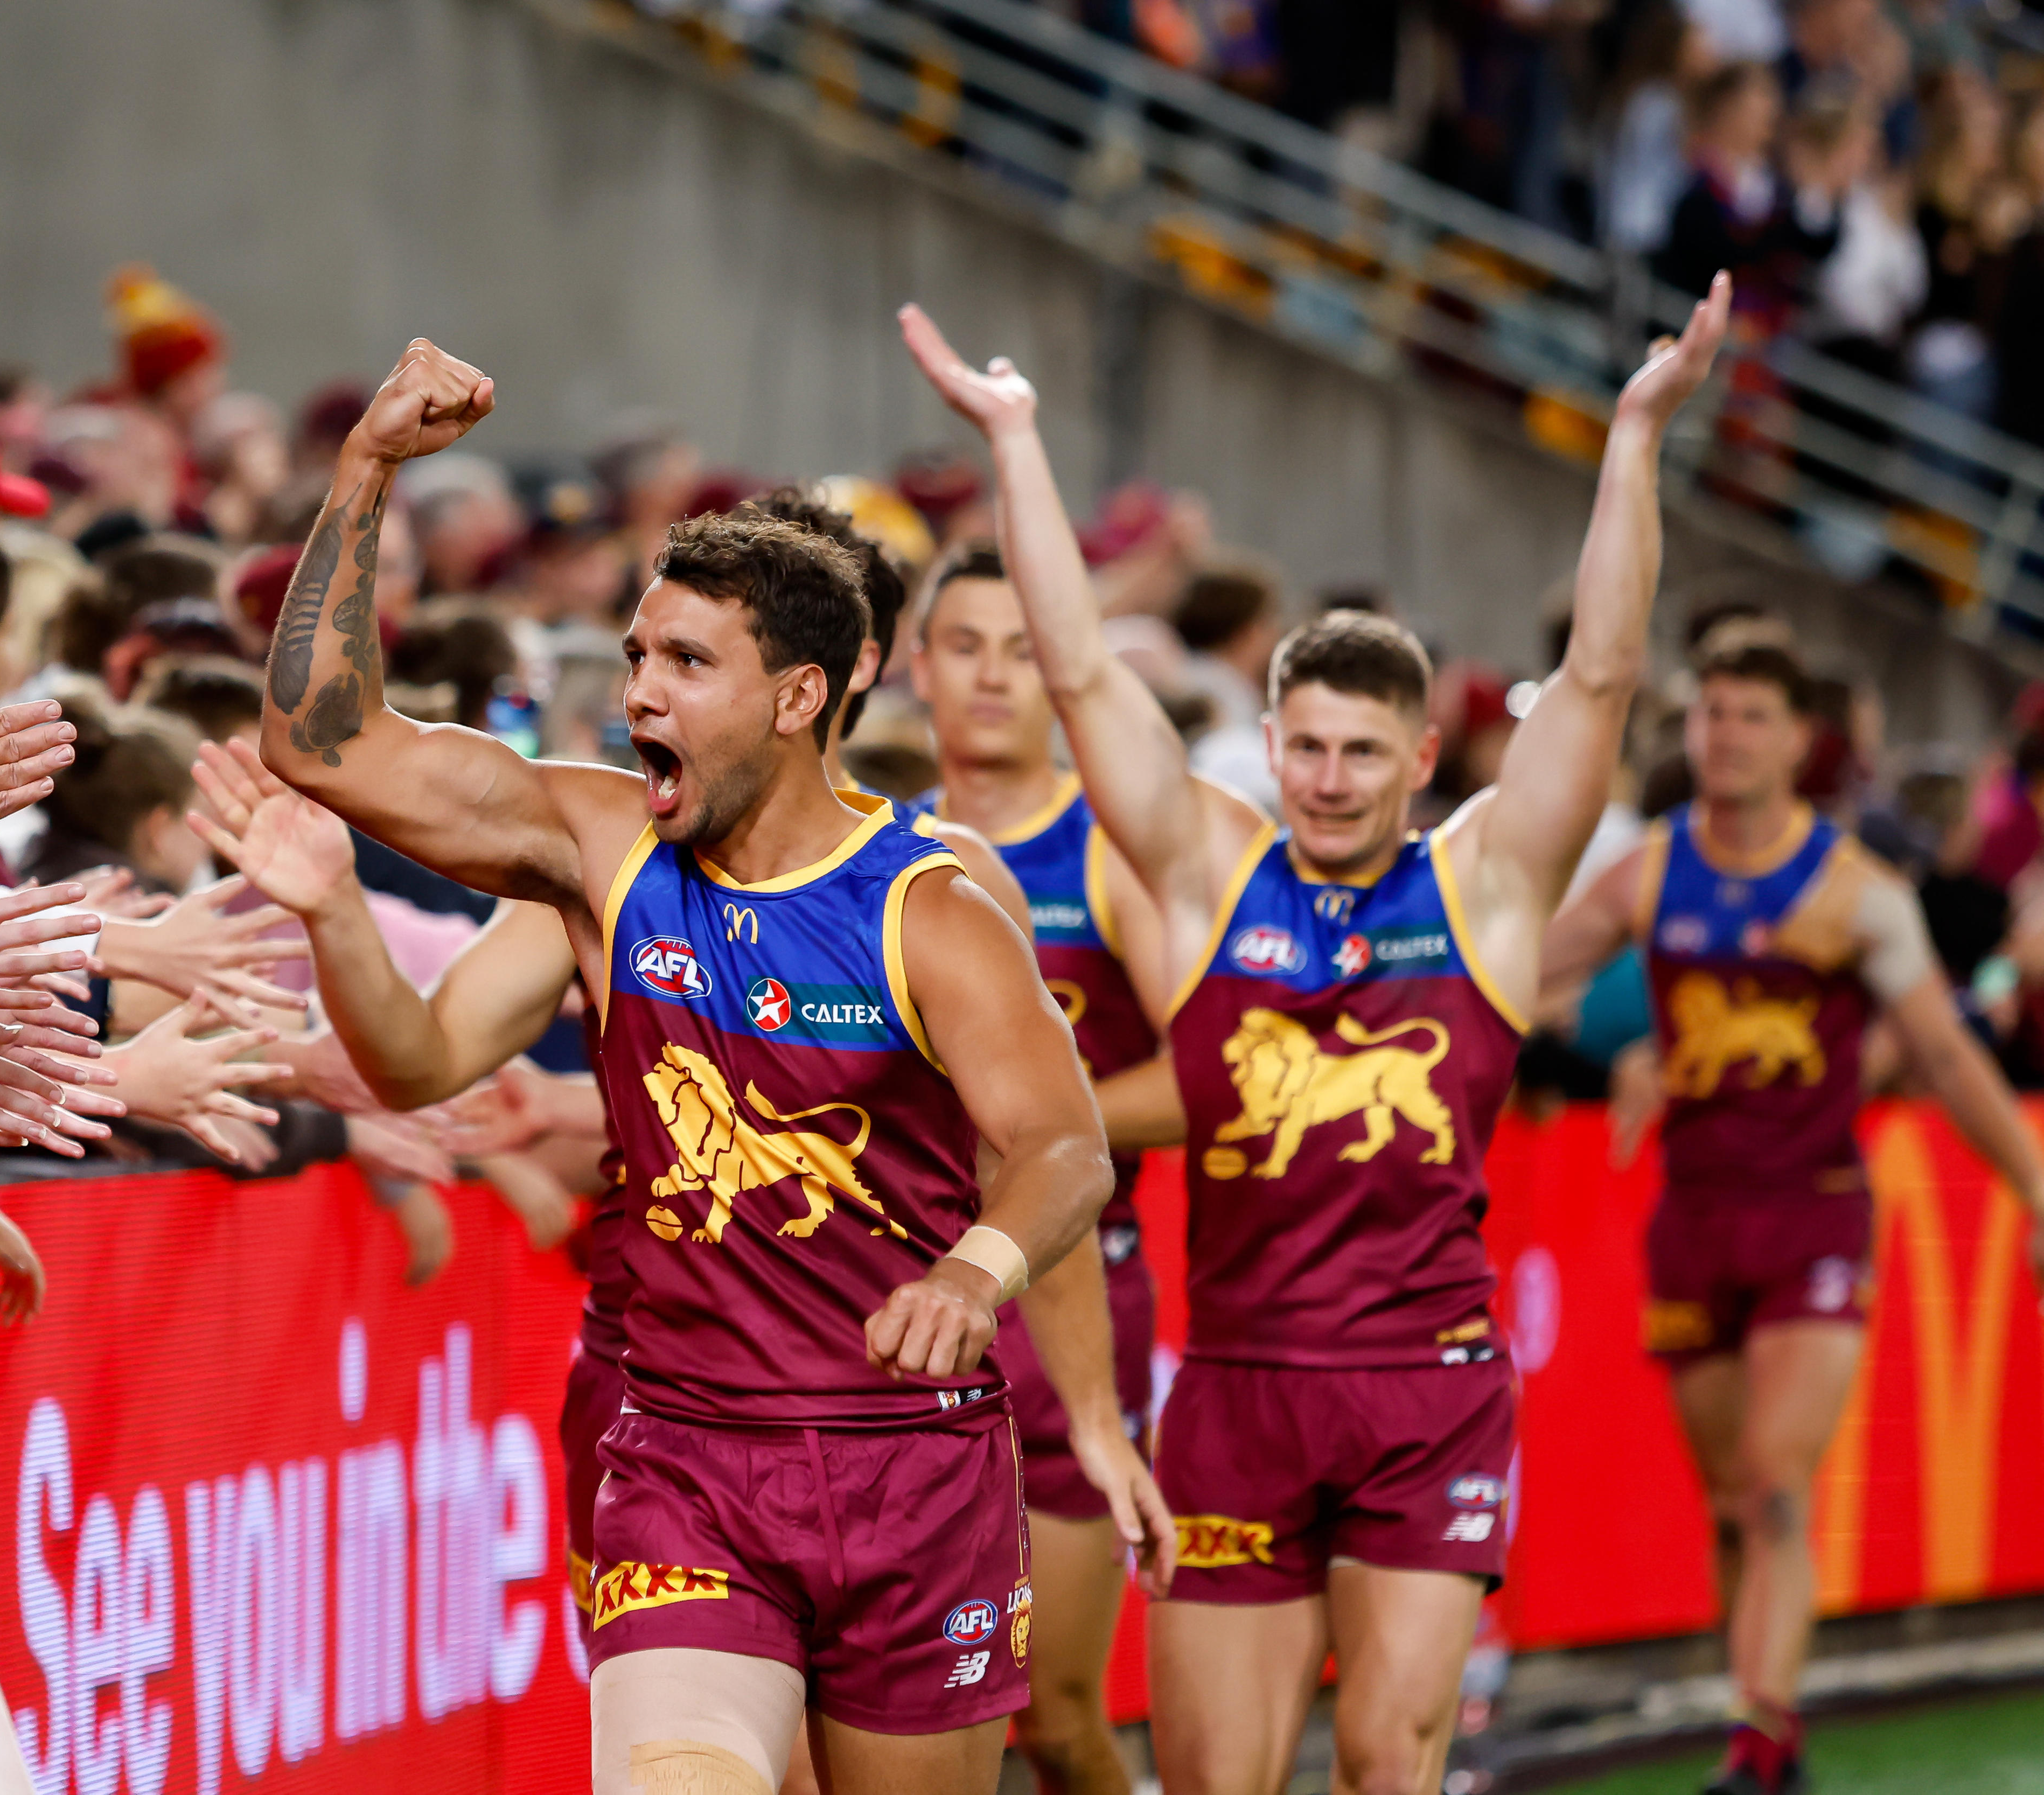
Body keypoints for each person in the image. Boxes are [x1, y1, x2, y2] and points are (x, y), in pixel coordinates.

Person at [262, 338, 1174, 1795]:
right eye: (635, 656)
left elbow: (1062, 1145)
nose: (642, 693)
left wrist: (971, 1276)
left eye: (687, 663)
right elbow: (325, 740)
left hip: (913, 1466)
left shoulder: (930, 906)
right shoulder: (602, 845)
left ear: (802, 696)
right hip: (687, 1452)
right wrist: (365, 470)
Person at [898, 275, 1731, 1795]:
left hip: (1430, 1383)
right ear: (1265, 744)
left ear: (1424, 757)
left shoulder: (1484, 884)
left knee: (1385, 1752)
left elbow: (1603, 675)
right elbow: (1082, 672)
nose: (1332, 780)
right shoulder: (1214, 870)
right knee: (1221, 1776)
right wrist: (1016, 440)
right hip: (1236, 1384)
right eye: (1306, 748)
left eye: (1364, 753)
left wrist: (1636, 434)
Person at [1540, 630, 2044, 1795]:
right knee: (1729, 1505)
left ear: (1798, 739)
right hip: (1693, 1219)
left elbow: (1948, 1056)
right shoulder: (1650, 871)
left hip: (1810, 1215)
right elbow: (1513, 967)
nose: (1724, 735)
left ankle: (1753, 1741)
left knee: (1774, 1484)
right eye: (1710, 713)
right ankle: (1769, 1735)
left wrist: (2028, 1179)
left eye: (1750, 715)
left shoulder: (1852, 891)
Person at [906, 539, 1179, 1795]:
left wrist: (1040, 1134)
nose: (993, 678)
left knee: (1058, 1717)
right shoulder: (872, 842)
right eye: (964, 646)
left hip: (1071, 1291)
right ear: (915, 666)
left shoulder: (1105, 852)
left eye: (1024, 650)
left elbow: (1212, 1074)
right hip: (905, 1305)